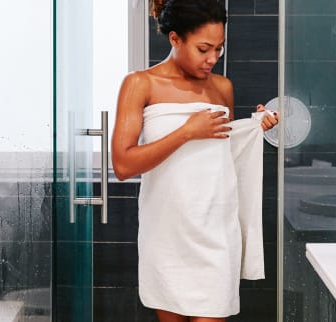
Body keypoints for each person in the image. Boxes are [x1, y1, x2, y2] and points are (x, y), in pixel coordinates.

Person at [112, 0, 278, 321]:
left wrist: (255, 126)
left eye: (219, 49)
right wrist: (186, 132)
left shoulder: (222, 87)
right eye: (204, 49)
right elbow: (123, 165)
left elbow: (221, 153)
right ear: (175, 39)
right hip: (167, 232)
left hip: (215, 230)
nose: (212, 59)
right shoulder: (140, 84)